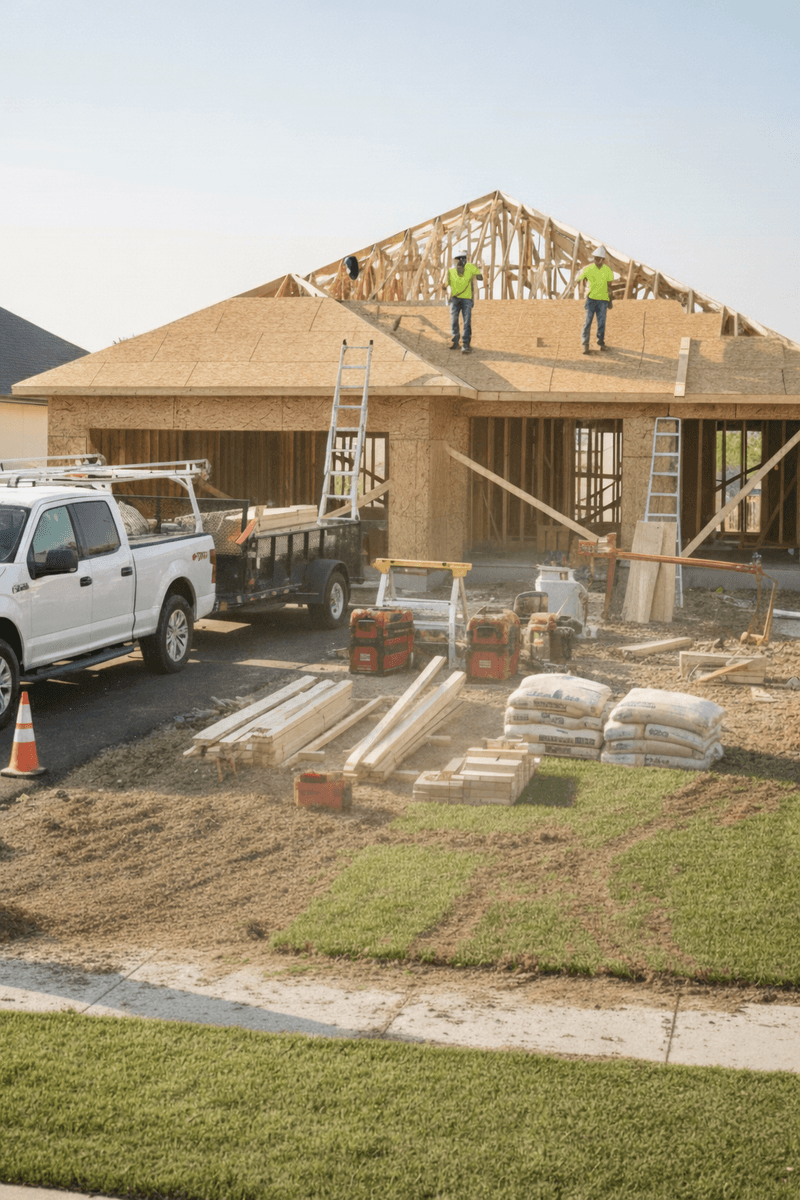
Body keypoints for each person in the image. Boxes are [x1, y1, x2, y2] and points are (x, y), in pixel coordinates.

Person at [578, 246, 614, 353]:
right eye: (595, 258)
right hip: (591, 299)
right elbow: (579, 279)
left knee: (601, 323)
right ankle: (585, 344)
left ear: (603, 259)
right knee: (587, 322)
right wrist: (583, 290)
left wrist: (610, 299)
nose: (596, 260)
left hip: (603, 300)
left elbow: (609, 285)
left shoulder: (607, 270)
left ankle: (600, 343)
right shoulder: (587, 268)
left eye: (598, 258)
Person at [446, 253, 483, 353]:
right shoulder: (451, 271)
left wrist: (478, 270)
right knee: (454, 320)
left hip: (467, 299)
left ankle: (466, 344)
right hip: (454, 299)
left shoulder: (470, 267)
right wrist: (448, 297)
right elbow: (449, 285)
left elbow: (480, 277)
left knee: (467, 322)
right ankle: (455, 341)